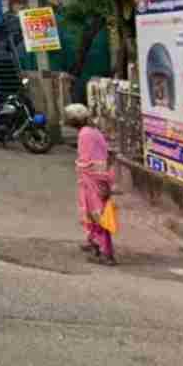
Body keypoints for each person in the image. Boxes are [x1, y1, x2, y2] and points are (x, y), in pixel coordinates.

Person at [66, 104, 117, 265]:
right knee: (92, 213)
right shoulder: (92, 131)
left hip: (94, 179)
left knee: (97, 215)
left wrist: (79, 168)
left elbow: (85, 161)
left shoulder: (85, 134)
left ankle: (106, 253)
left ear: (75, 120)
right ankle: (94, 242)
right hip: (98, 178)